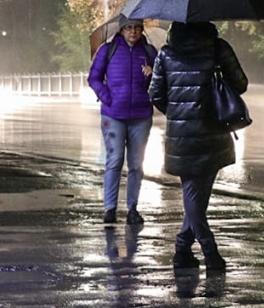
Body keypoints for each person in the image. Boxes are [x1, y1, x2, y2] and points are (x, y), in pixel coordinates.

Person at [148, 21, 247, 272]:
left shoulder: (166, 54)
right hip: (214, 129)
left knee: (195, 195)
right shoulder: (218, 48)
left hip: (182, 135)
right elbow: (240, 83)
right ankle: (210, 251)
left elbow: (155, 93)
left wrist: (178, 113)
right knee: (198, 195)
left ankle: (182, 249)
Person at [88, 18, 158, 226]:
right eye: (129, 28)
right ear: (121, 30)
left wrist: (151, 76)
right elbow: (94, 78)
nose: (133, 32)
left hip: (141, 115)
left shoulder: (149, 52)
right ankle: (110, 208)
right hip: (113, 114)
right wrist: (107, 98)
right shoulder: (107, 50)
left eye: (137, 28)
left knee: (136, 164)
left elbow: (161, 82)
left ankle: (133, 209)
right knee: (115, 160)